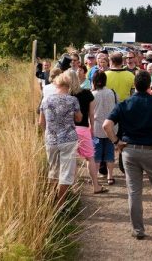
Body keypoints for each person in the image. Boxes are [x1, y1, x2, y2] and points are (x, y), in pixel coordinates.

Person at [101, 71, 152, 240]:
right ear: (149, 86)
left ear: (135, 85)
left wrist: (116, 142)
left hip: (129, 150)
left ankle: (138, 230)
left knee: (134, 192)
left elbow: (106, 125)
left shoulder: (124, 104)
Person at [38, 69, 83, 205]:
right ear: (68, 86)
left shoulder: (46, 100)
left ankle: (51, 199)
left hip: (51, 139)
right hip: (68, 138)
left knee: (53, 170)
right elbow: (79, 118)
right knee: (66, 172)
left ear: (56, 85)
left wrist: (48, 133)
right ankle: (60, 202)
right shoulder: (72, 100)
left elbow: (41, 122)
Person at [68, 69, 103, 194]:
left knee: (72, 159)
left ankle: (75, 188)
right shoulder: (87, 93)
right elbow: (91, 114)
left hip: (69, 129)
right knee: (90, 158)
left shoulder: (66, 95)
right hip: (83, 128)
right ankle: (95, 185)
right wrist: (92, 127)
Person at [91, 69, 119, 186]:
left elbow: (91, 113)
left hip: (97, 127)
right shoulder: (113, 93)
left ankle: (96, 177)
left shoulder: (92, 95)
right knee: (110, 153)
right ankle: (110, 176)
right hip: (111, 126)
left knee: (96, 154)